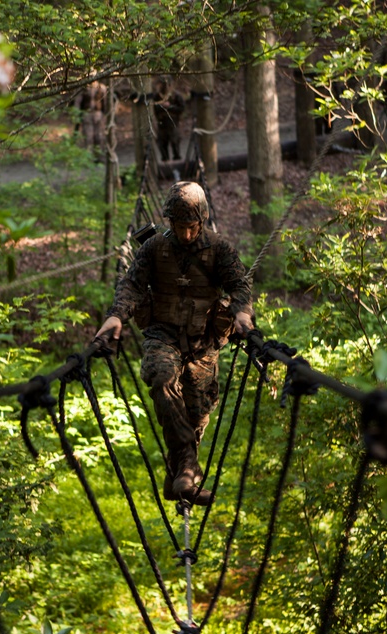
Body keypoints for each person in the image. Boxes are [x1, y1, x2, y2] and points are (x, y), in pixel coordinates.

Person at [94, 182, 255, 506]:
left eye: (191, 227)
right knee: (162, 376)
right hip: (162, 336)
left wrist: (242, 314)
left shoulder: (220, 250)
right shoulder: (153, 248)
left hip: (203, 344)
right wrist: (116, 317)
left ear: (202, 221)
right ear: (169, 222)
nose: (184, 234)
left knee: (197, 416)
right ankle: (186, 467)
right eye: (178, 227)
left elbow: (240, 285)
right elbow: (132, 286)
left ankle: (178, 478)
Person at [153, 77, 186, 162]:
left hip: (173, 122)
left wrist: (170, 107)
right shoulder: (157, 96)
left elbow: (181, 108)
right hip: (162, 123)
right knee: (162, 143)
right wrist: (161, 106)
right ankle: (165, 160)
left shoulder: (176, 95)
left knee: (175, 141)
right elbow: (153, 108)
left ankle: (177, 160)